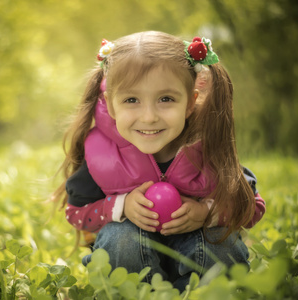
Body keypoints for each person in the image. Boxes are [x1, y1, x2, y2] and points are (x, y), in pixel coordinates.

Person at [54, 31, 266, 291]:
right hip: (132, 264)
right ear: (110, 105)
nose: (149, 116)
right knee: (118, 239)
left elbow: (251, 208)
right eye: (131, 100)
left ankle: (207, 294)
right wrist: (120, 206)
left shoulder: (208, 144)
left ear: (190, 102)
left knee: (222, 245)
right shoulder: (104, 156)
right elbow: (76, 214)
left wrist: (206, 213)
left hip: (199, 258)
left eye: (166, 99)